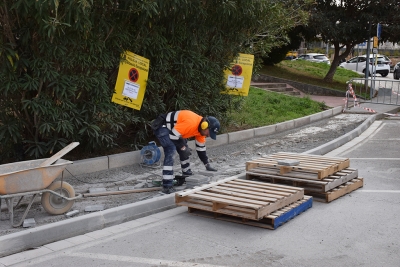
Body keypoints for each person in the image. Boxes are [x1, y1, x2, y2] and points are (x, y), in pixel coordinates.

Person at [151, 110, 220, 194]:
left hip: (175, 130)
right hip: (163, 127)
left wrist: (207, 164)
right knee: (171, 149)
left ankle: (186, 173)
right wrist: (182, 147)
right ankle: (167, 185)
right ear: (205, 126)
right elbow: (173, 135)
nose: (208, 135)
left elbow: (201, 148)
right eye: (209, 133)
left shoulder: (201, 131)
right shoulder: (191, 123)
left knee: (185, 149)